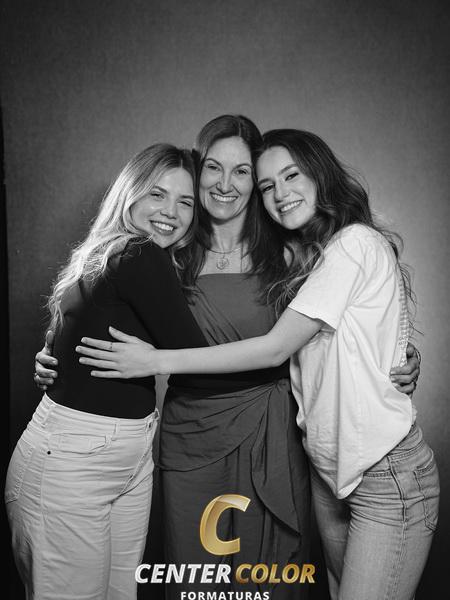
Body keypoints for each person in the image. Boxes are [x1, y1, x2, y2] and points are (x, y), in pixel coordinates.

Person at [34, 117, 421, 599]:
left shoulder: (290, 251)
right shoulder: (169, 248)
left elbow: (357, 315)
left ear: (254, 184)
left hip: (272, 432)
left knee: (270, 579)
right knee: (199, 579)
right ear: (198, 173)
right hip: (191, 434)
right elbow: (100, 301)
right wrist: (55, 353)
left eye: (242, 172)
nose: (225, 183)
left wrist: (399, 353)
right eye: (214, 167)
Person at [5, 143, 210, 600]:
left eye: (185, 202)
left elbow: (66, 338)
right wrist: (281, 357)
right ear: (130, 193)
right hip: (75, 460)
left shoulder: (113, 253)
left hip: (121, 453)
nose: (171, 212)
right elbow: (198, 361)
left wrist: (52, 360)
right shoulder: (138, 253)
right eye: (157, 194)